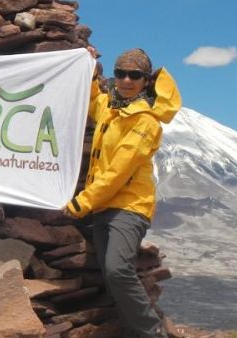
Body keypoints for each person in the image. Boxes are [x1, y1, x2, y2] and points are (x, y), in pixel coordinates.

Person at [64, 47, 181, 338]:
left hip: (129, 208)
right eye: (120, 73)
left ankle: (153, 333)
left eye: (135, 75)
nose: (126, 80)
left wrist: (83, 202)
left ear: (146, 81)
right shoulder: (110, 107)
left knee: (117, 270)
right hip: (104, 208)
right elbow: (92, 99)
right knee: (110, 276)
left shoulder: (146, 121)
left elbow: (119, 169)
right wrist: (90, 66)